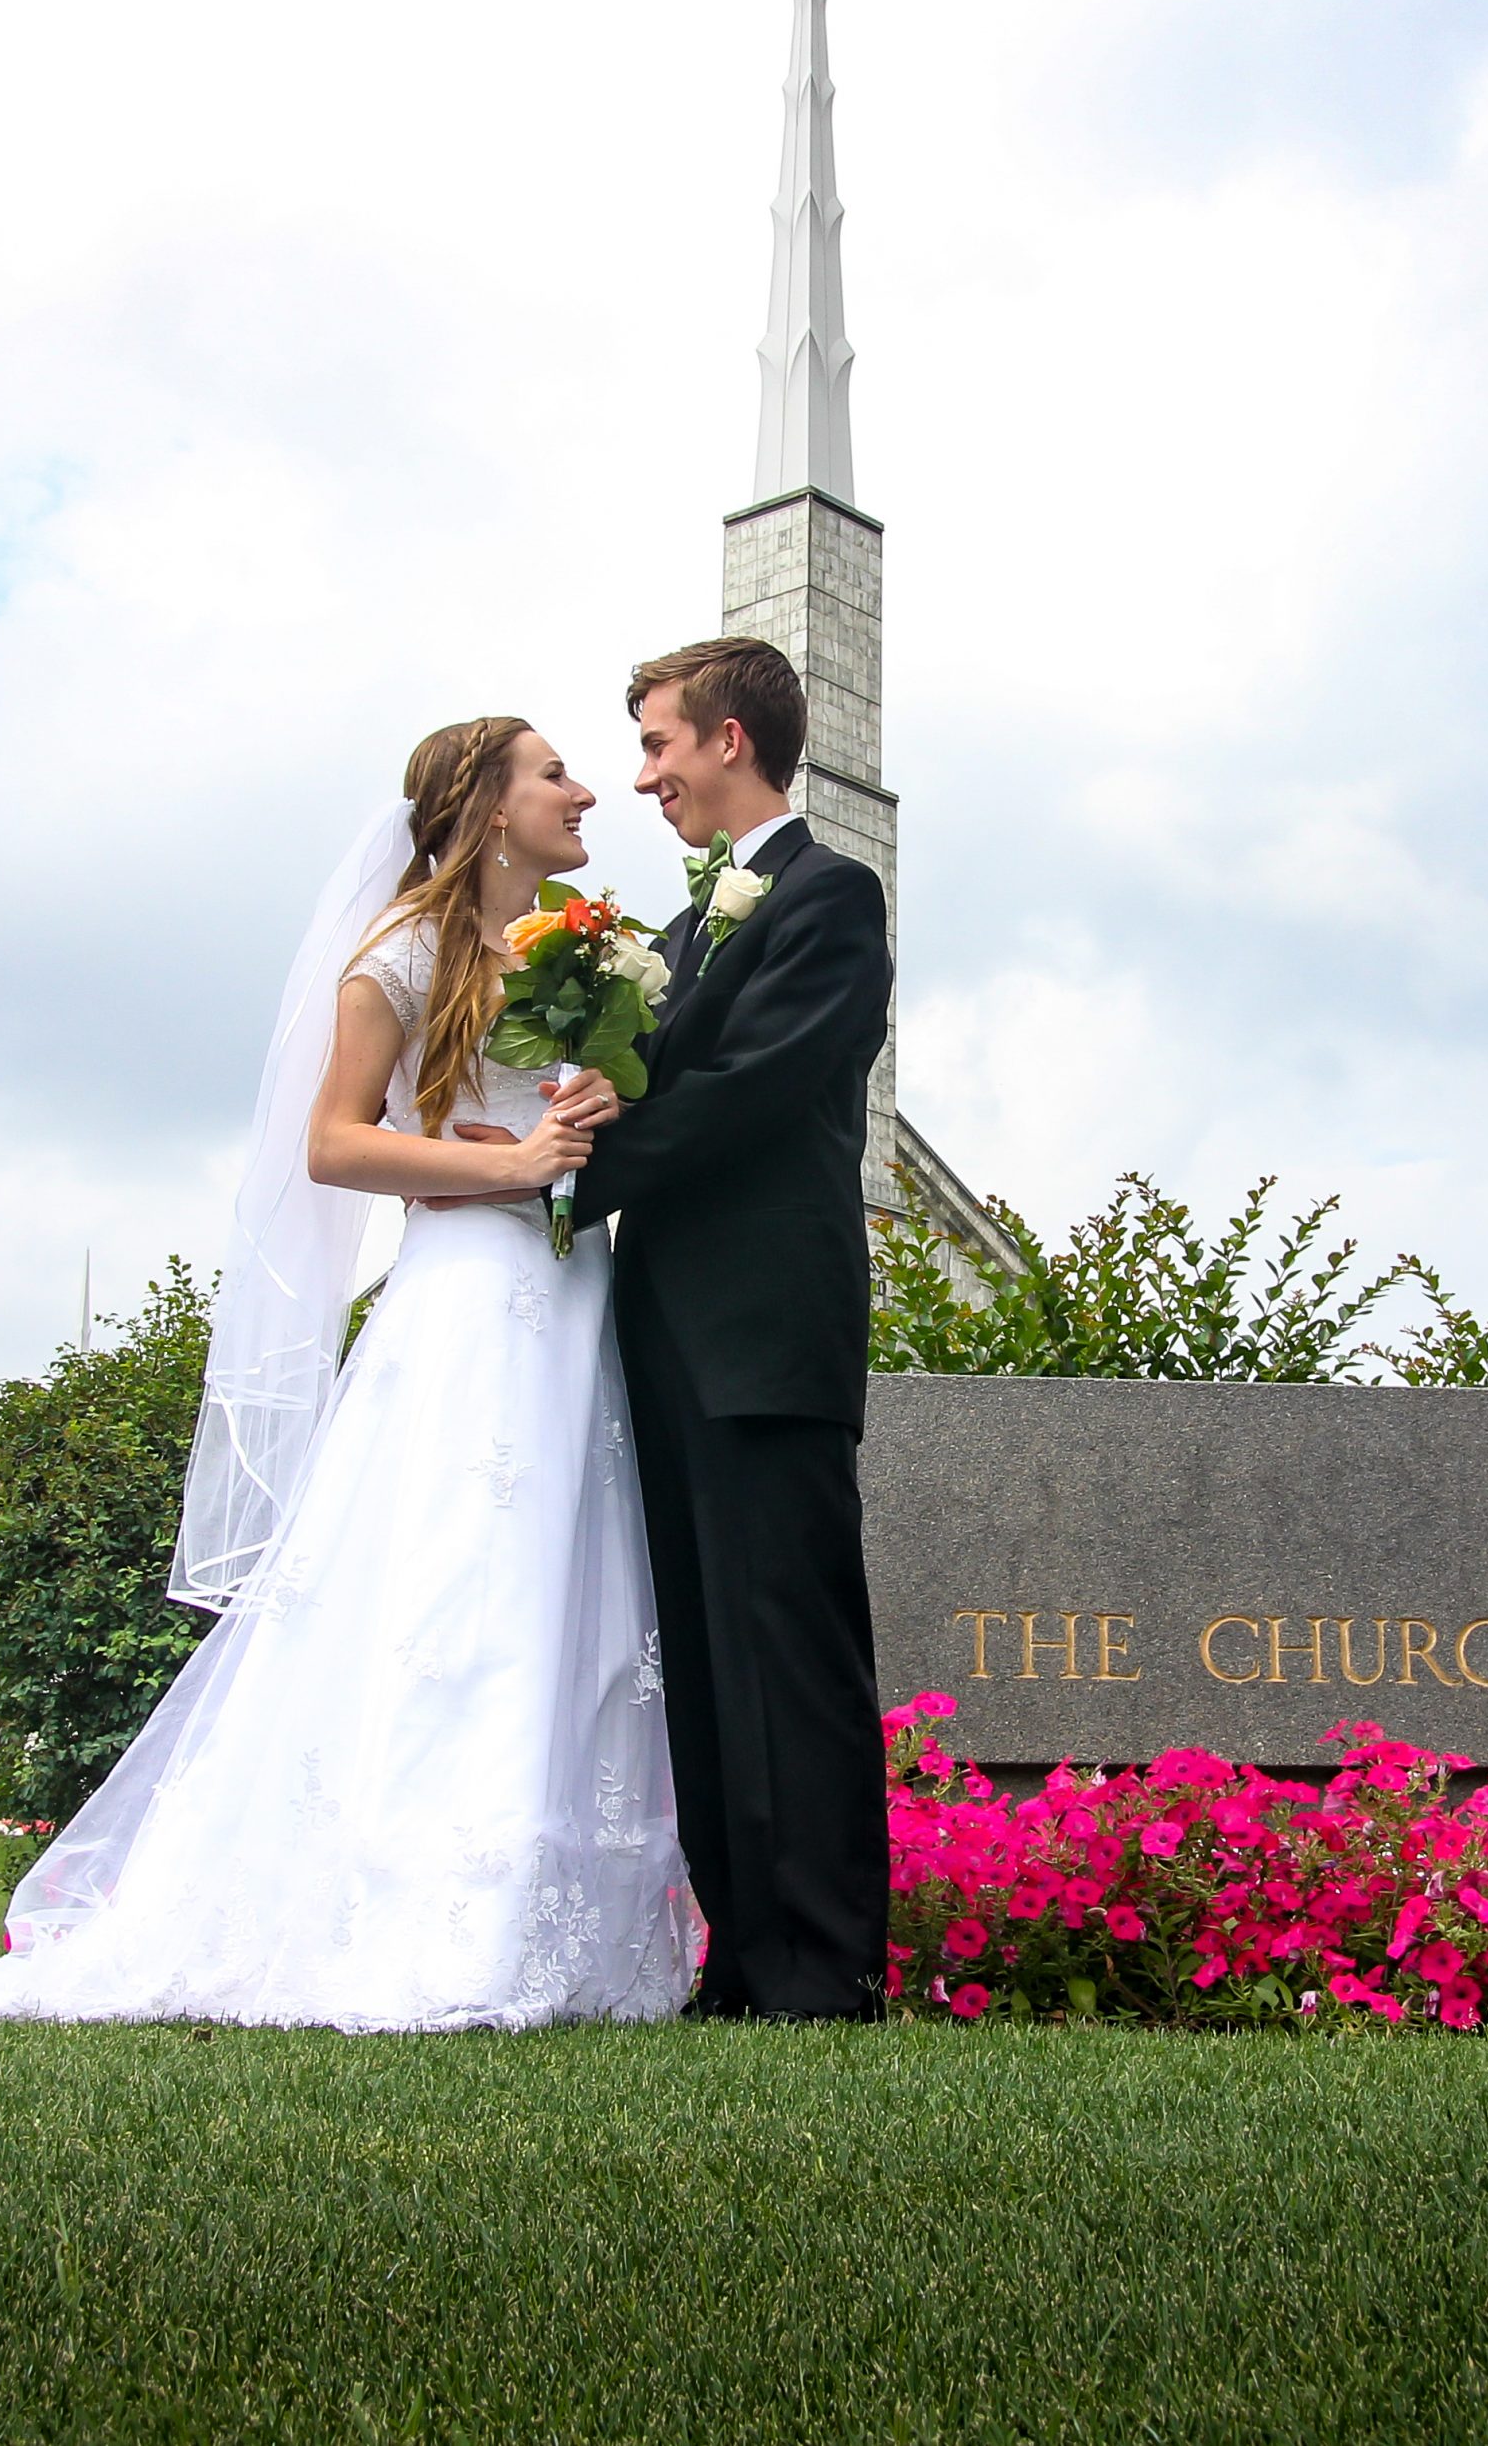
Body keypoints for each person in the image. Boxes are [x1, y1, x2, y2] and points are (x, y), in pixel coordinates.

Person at [0, 718, 693, 2031]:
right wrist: (508, 1168)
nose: (586, 790)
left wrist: (599, 1114)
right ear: (489, 808)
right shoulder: (393, 954)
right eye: (554, 772)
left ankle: (570, 1921)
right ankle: (434, 1915)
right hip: (462, 1304)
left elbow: (590, 1107)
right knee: (455, 1575)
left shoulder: (581, 948)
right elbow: (330, 1144)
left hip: (573, 1297)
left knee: (568, 1578)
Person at [565, 636, 894, 2020]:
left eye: (656, 744)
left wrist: (579, 1173)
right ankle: (743, 1960)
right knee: (699, 1656)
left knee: (791, 1655)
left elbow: (758, 1089)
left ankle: (825, 1970)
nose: (642, 776)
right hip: (672, 1330)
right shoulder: (692, 931)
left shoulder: (833, 899)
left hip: (767, 1334)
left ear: (731, 742)